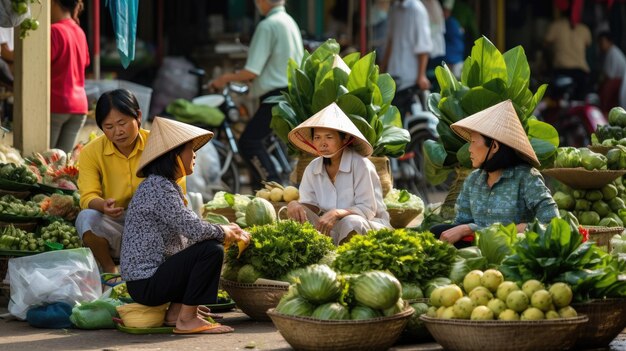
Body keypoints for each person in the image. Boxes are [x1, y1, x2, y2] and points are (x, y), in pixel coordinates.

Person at [120, 117, 250, 334]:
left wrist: (225, 230)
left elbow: (191, 230)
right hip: (146, 283)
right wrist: (224, 231)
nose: (195, 154)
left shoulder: (164, 185)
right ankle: (187, 319)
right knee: (211, 250)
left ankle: (176, 314)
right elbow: (195, 230)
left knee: (203, 245)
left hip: (148, 279)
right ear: (174, 156)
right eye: (190, 149)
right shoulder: (158, 187)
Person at [431, 100, 559, 248]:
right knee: (437, 232)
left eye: (473, 142)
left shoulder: (527, 178)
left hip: (514, 253)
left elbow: (551, 224)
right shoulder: (473, 179)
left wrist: (473, 229)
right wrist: (466, 229)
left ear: (494, 146)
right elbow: (461, 225)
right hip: (477, 251)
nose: (469, 149)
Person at [210, 0, 303, 190]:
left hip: (275, 96)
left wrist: (223, 79)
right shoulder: (289, 21)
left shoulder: (267, 25)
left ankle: (274, 188)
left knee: (249, 142)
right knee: (265, 143)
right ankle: (262, 193)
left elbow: (251, 71)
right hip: (289, 94)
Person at [77, 89, 167, 274]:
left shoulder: (159, 145)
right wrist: (103, 205)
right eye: (109, 127)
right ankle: (110, 269)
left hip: (155, 220)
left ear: (138, 117)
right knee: (86, 218)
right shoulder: (91, 152)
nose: (118, 132)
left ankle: (157, 269)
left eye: (122, 123)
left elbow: (176, 192)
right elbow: (87, 196)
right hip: (116, 220)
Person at [285, 103, 392, 245]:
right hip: (329, 228)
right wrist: (294, 205)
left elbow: (367, 209)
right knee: (296, 215)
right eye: (317, 138)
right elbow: (311, 205)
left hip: (368, 225)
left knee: (351, 222)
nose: (322, 143)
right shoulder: (312, 168)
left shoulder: (361, 165)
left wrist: (337, 213)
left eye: (329, 137)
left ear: (345, 138)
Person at [381, 0, 432, 119]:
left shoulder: (417, 10)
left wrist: (421, 76)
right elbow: (390, 42)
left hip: (410, 79)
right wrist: (382, 69)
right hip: (393, 76)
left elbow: (423, 46)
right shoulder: (394, 9)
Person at [51, 0, 90, 153]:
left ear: (54, 3)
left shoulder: (54, 30)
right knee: (60, 166)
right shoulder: (79, 32)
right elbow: (85, 62)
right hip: (79, 106)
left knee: (41, 163)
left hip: (56, 103)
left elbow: (39, 64)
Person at [544, 7, 592, 101]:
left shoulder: (556, 26)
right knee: (581, 103)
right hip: (581, 73)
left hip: (561, 71)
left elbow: (545, 44)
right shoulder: (584, 29)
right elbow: (587, 44)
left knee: (556, 103)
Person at [598, 31, 626, 113]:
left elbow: (610, 76)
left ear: (609, 41)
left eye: (602, 42)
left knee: (606, 88)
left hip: (620, 82)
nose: (600, 45)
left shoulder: (612, 52)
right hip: (618, 82)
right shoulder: (610, 52)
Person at [440, 0, 465, 79]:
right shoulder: (447, 22)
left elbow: (456, 41)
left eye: (447, 11)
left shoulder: (451, 23)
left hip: (455, 59)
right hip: (452, 58)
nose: (445, 13)